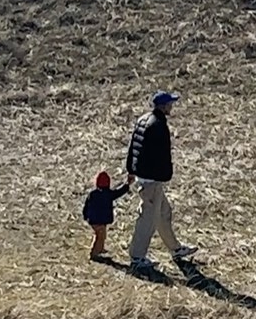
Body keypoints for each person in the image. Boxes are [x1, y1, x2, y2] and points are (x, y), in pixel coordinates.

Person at [126, 90, 198, 269]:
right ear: (163, 106)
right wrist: (166, 175)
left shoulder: (143, 120)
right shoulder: (158, 125)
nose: (172, 107)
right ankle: (137, 256)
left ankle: (175, 248)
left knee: (164, 212)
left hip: (143, 177)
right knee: (148, 218)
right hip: (152, 180)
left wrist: (131, 170)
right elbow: (162, 155)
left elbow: (133, 147)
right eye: (170, 104)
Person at [82, 170, 132, 260]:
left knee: (101, 235)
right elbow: (119, 192)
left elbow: (86, 206)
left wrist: (85, 216)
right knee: (100, 237)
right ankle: (94, 254)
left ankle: (100, 249)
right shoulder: (108, 194)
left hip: (93, 220)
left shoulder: (93, 194)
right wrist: (127, 184)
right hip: (100, 221)